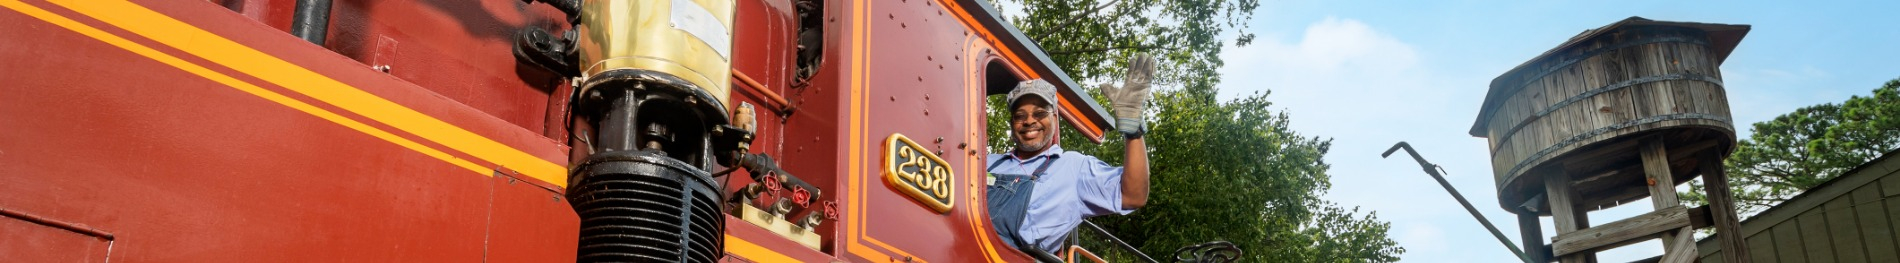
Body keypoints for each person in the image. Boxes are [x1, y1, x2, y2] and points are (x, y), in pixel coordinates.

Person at [987, 54, 1155, 254]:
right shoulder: (987, 162)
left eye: (1040, 113)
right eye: (1020, 116)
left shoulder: (1074, 167)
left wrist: (1133, 129)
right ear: (1012, 123)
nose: (1029, 121)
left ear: (1055, 118)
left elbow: (1132, 196)